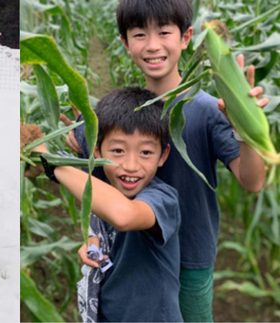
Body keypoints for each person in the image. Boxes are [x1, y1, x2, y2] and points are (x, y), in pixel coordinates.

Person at [66, 1, 267, 321]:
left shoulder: (209, 110)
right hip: (134, 255)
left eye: (164, 32)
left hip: (191, 258)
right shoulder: (122, 114)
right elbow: (100, 188)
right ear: (125, 42)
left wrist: (246, 128)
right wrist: (92, 237)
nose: (153, 45)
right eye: (140, 34)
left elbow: (253, 181)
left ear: (186, 37)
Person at [27, 87, 182, 322]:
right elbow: (101, 211)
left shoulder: (162, 200)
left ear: (163, 155)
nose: (130, 165)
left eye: (146, 152)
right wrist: (93, 243)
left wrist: (51, 163)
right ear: (98, 150)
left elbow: (124, 216)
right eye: (118, 150)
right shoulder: (104, 188)